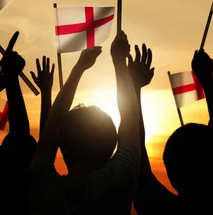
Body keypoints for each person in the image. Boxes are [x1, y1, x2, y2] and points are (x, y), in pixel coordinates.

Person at [29, 30, 140, 215]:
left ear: (62, 144)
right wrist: (119, 61)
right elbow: (130, 117)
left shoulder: (43, 187)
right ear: (111, 145)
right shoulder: (120, 180)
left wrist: (79, 68)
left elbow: (53, 122)